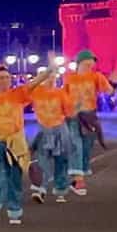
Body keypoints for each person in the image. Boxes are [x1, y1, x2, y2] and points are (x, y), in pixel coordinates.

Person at [0, 65, 53, 225]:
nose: (5, 80)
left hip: (15, 142)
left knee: (14, 175)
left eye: (7, 77)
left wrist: (49, 71)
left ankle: (14, 211)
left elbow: (33, 83)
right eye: (1, 78)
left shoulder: (18, 94)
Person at [62, 51, 114, 195]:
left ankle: (81, 169)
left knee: (86, 145)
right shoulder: (69, 78)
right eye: (87, 63)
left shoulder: (96, 76)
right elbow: (63, 96)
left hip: (89, 116)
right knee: (76, 145)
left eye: (91, 64)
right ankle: (78, 180)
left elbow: (109, 91)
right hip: (72, 116)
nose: (90, 66)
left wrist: (113, 83)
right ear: (79, 63)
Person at [27, 72, 78, 204]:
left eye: (53, 77)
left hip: (59, 129)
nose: (51, 80)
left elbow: (70, 112)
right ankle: (42, 190)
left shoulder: (60, 93)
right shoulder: (35, 92)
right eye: (47, 77)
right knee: (43, 161)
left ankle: (61, 190)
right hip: (44, 130)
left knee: (61, 161)